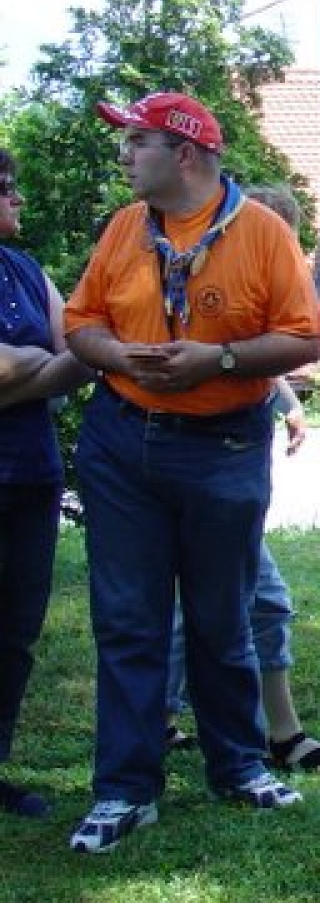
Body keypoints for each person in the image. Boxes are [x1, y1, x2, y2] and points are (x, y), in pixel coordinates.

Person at [64, 93, 320, 852]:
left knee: (222, 613)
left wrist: (223, 360)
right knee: (129, 620)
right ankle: (124, 789)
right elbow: (82, 323)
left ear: (184, 152)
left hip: (223, 446)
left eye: (135, 141)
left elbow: (302, 338)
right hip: (122, 442)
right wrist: (116, 357)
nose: (122, 155)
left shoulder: (264, 233)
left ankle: (238, 766)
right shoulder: (123, 228)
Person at [162, 183, 320, 773]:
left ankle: (163, 719)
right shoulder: (210, 270)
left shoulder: (253, 267)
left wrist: (286, 402)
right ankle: (272, 737)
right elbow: (229, 351)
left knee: (210, 602)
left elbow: (263, 353)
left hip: (229, 469)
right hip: (207, 467)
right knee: (257, 600)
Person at [0, 149, 92, 818]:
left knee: (14, 632)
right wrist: (41, 366)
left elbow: (80, 351)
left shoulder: (25, 270)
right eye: (7, 191)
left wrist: (25, 367)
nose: (19, 202)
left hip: (30, 478)